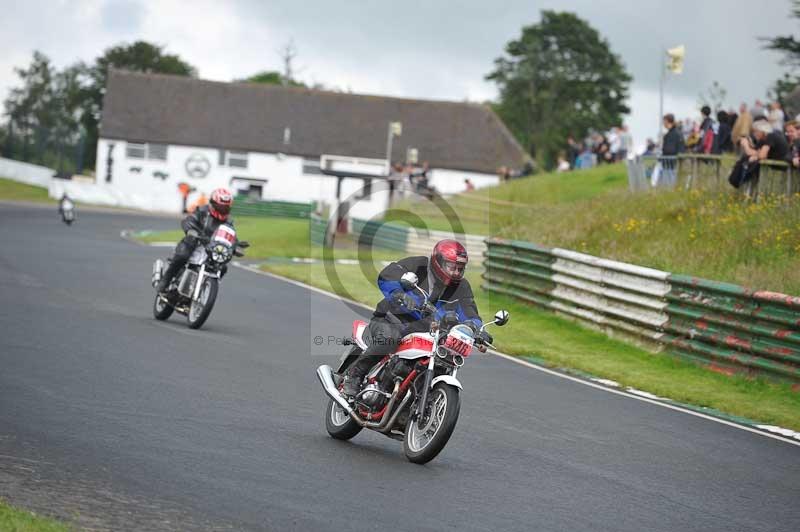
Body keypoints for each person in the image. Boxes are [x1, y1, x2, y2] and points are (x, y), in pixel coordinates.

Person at [342, 240, 490, 397]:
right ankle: (354, 375)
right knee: (389, 338)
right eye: (452, 267)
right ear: (438, 262)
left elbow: (469, 310)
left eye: (460, 269)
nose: (456, 272)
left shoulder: (462, 287)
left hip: (428, 331)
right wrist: (400, 294)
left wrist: (477, 329)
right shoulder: (418, 265)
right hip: (392, 320)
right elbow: (388, 275)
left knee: (444, 358)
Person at [156, 188, 234, 293]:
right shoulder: (203, 211)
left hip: (212, 248)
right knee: (183, 255)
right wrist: (191, 229)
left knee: (222, 267)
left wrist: (235, 244)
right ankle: (166, 280)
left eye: (225, 208)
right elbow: (189, 219)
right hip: (194, 242)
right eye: (220, 206)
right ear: (213, 203)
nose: (222, 209)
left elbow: (230, 234)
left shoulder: (228, 221)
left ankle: (206, 288)